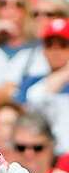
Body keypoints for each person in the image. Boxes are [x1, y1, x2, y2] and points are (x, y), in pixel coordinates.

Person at [24, 18, 69, 155]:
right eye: (50, 45)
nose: (55, 51)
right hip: (42, 156)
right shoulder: (32, 81)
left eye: (62, 45)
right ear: (43, 49)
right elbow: (34, 100)